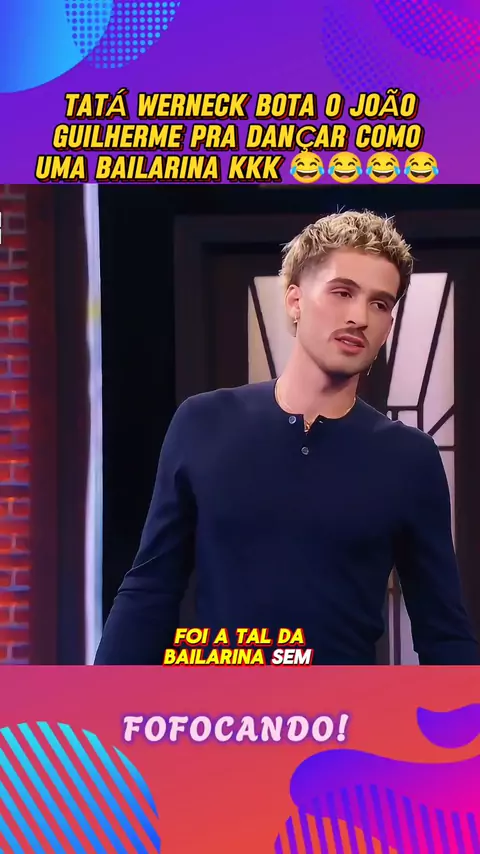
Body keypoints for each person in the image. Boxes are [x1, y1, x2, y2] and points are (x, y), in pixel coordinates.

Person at [95, 210, 479, 666]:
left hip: (343, 709)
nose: (359, 317)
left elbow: (443, 631)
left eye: (380, 304)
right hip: (219, 702)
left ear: (388, 328)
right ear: (295, 301)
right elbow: (150, 588)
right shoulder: (203, 423)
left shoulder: (409, 458)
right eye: (342, 292)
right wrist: (99, 702)